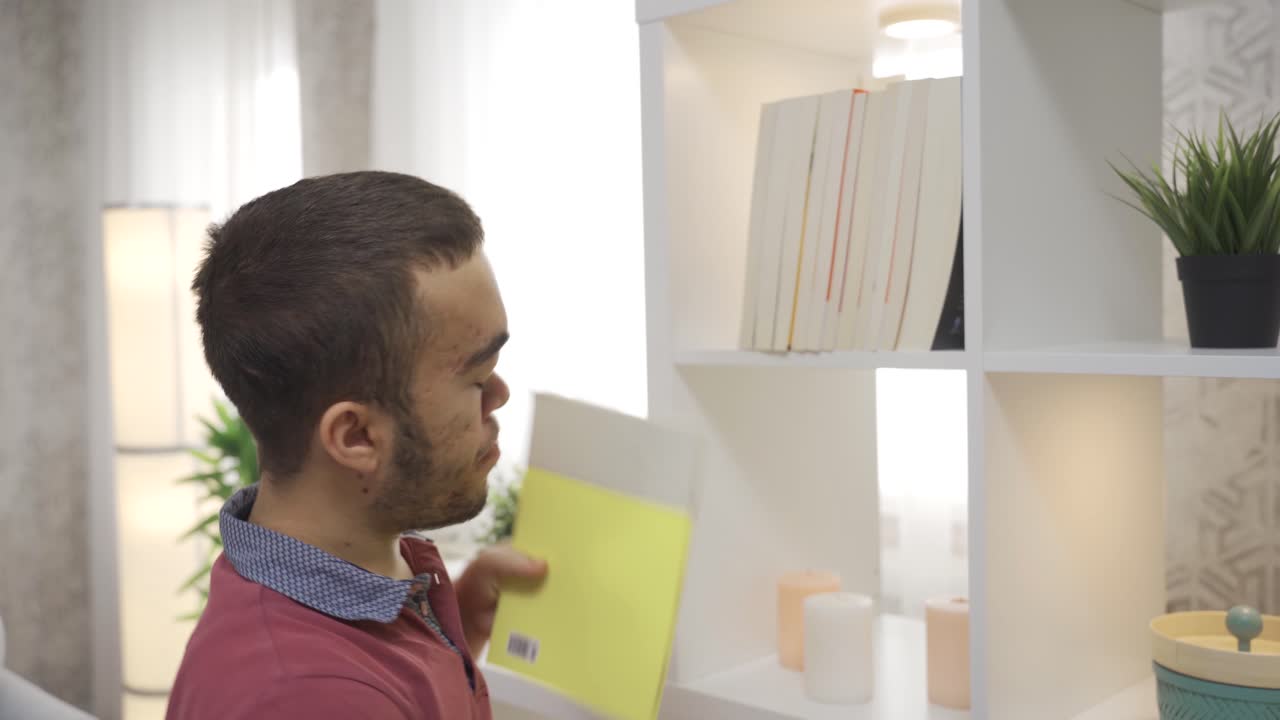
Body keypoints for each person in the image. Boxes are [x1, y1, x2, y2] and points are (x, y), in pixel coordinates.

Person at [166, 171, 548, 719]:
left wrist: (455, 626)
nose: (499, 394)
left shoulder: (364, 581)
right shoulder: (307, 699)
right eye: (476, 376)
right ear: (356, 436)